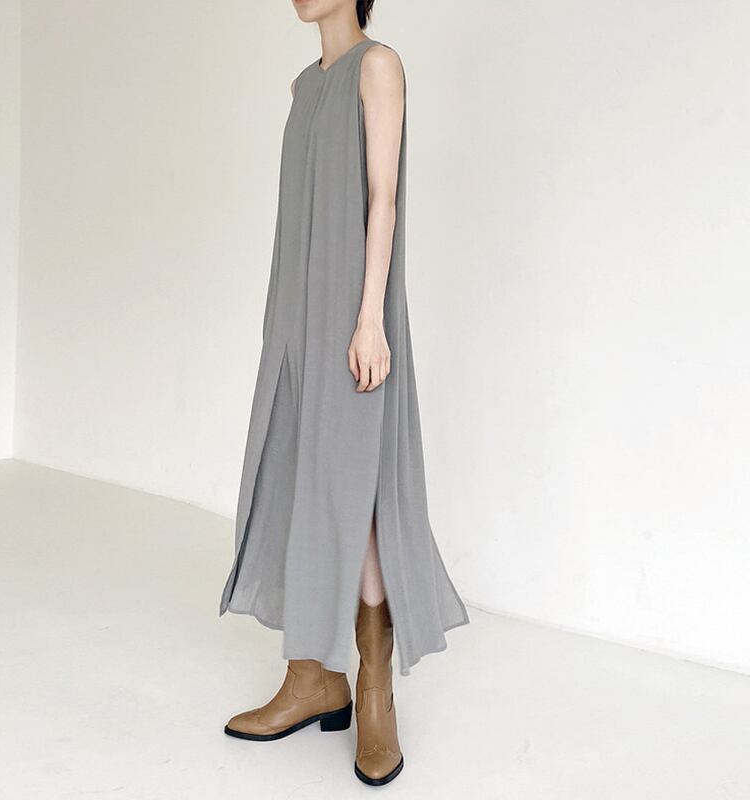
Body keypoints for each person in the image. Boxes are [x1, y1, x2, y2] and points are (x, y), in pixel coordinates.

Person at [219, 0, 468, 786]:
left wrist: (370, 319)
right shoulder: (304, 86)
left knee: (357, 493)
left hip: (353, 315)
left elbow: (382, 198)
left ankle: (374, 691)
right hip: (294, 314)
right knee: (298, 478)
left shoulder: (378, 66)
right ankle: (311, 678)